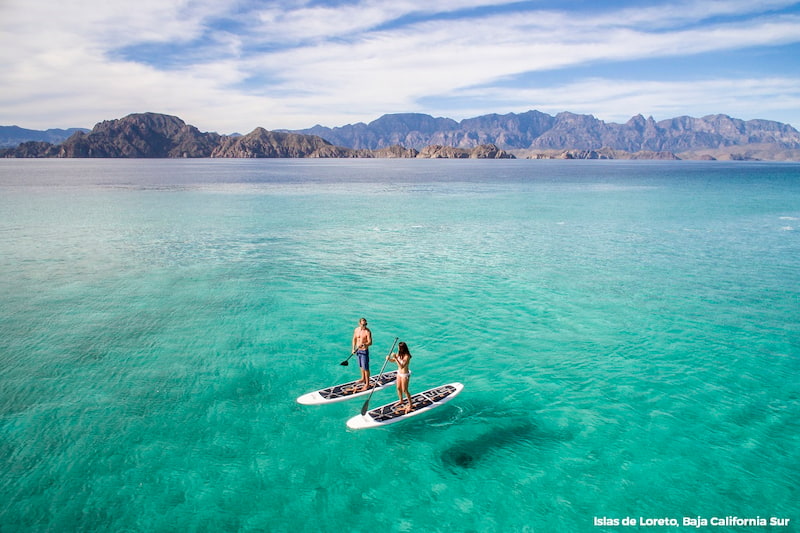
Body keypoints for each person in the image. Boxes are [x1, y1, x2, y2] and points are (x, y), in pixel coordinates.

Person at [388, 341, 413, 413]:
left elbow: (402, 366)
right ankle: (401, 401)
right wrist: (389, 359)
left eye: (399, 348)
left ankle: (410, 404)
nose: (398, 349)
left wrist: (395, 358)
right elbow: (394, 361)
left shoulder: (407, 356)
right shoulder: (399, 353)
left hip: (405, 374)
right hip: (399, 373)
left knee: (405, 390)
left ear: (403, 348)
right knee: (398, 388)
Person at [352, 317, 373, 391]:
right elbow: (354, 339)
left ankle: (367, 384)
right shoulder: (356, 330)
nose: (364, 326)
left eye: (365, 324)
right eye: (363, 324)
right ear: (359, 323)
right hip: (358, 351)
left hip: (364, 351)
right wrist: (353, 349)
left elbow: (370, 342)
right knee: (360, 366)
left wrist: (365, 344)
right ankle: (363, 378)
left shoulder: (368, 332)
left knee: (366, 368)